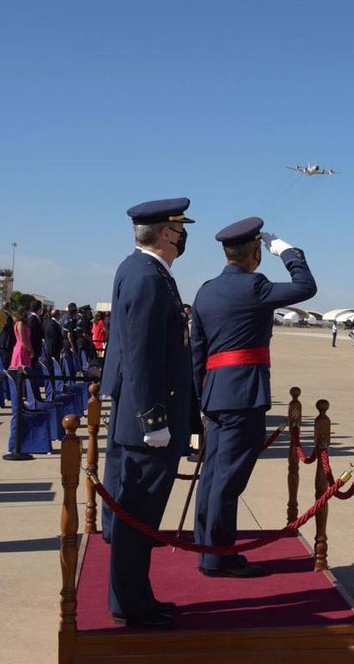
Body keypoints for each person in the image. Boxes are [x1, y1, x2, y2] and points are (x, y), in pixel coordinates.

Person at [192, 216, 316, 578]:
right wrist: (289, 252)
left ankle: (210, 547)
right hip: (244, 393)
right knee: (228, 478)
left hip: (215, 392)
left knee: (214, 474)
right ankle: (216, 557)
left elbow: (198, 352)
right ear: (256, 254)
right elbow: (305, 286)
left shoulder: (205, 290)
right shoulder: (256, 286)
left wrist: (203, 393)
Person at [101, 198, 197, 628]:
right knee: (138, 517)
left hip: (142, 417)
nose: (182, 236)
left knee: (138, 517)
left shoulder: (145, 271)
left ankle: (135, 595)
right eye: (179, 229)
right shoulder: (146, 276)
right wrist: (153, 420)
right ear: (165, 233)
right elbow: (138, 355)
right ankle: (130, 602)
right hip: (147, 424)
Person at [9, 304, 33, 371]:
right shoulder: (20, 323)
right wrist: (30, 350)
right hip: (22, 349)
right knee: (21, 371)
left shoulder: (23, 323)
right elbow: (22, 339)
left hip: (25, 349)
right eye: (28, 312)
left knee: (25, 371)